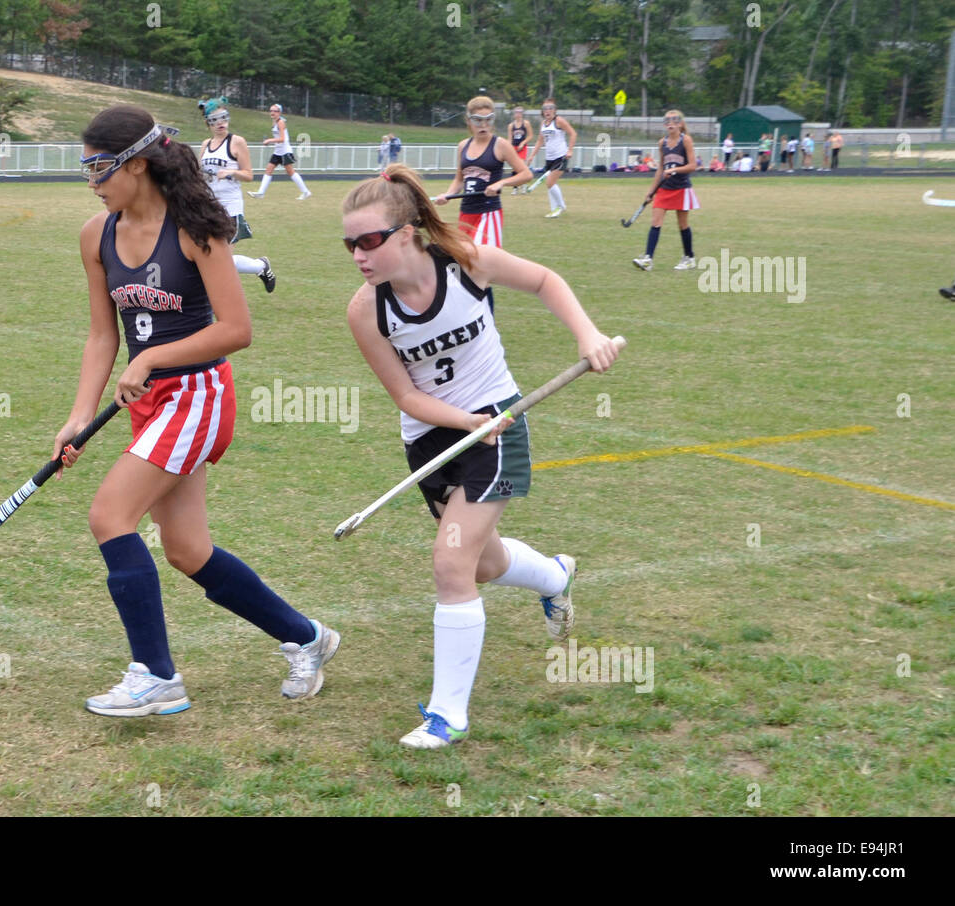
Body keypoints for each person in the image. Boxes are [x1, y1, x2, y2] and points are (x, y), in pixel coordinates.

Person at [64, 105, 339, 717]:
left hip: (197, 395)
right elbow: (102, 336)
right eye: (86, 167)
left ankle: (155, 675)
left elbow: (236, 329)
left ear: (136, 164)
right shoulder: (96, 235)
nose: (92, 180)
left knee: (110, 515)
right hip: (150, 402)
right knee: (187, 549)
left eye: (99, 166)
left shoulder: (194, 228)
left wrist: (152, 357)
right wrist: (80, 417)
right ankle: (307, 637)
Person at [341, 164, 620, 749]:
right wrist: (464, 423)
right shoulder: (366, 311)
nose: (359, 256)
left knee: (450, 564)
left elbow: (544, 280)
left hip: (500, 426)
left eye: (369, 241)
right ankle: (556, 576)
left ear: (407, 233)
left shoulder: (466, 262)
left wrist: (587, 335)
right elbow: (406, 396)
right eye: (350, 245)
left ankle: (448, 716)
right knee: (482, 565)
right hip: (432, 440)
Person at [197, 99, 275, 293]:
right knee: (208, 256)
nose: (220, 123)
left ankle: (259, 267)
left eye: (224, 118)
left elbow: (248, 174)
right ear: (208, 123)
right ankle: (260, 266)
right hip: (209, 208)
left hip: (230, 208)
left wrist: (231, 172)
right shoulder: (206, 144)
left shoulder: (237, 142)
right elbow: (199, 173)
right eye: (215, 120)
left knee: (221, 260)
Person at [431, 96, 530, 244]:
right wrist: (448, 195)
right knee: (463, 255)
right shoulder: (463, 146)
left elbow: (526, 174)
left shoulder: (500, 145)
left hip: (488, 212)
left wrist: (501, 183)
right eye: (478, 120)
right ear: (468, 120)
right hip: (466, 212)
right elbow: (459, 179)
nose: (483, 125)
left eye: (488, 119)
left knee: (481, 255)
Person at [632, 109, 699, 272]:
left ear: (680, 124)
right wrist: (651, 191)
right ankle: (648, 259)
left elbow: (692, 166)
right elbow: (660, 168)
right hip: (664, 188)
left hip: (681, 188)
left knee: (683, 224)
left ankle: (689, 258)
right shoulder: (662, 143)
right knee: (656, 222)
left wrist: (674, 170)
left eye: (674, 120)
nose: (670, 123)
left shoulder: (686, 140)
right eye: (667, 120)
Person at [521, 98, 577, 218]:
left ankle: (561, 206)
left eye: (550, 108)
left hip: (561, 156)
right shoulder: (543, 124)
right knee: (550, 184)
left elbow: (573, 133)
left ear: (555, 110)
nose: (548, 110)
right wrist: (532, 156)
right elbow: (540, 141)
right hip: (549, 158)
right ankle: (554, 209)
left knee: (550, 182)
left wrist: (570, 150)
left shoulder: (559, 121)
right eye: (545, 108)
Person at [249, 103, 310, 200]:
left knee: (291, 172)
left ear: (279, 112)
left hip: (285, 151)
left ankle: (306, 192)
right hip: (278, 151)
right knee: (268, 170)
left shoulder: (281, 122)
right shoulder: (274, 122)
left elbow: (282, 139)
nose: (272, 113)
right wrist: (271, 142)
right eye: (271, 110)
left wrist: (269, 140)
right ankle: (261, 193)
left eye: (275, 111)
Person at [507, 106, 534, 194]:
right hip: (514, 147)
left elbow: (530, 136)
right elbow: (510, 139)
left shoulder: (526, 124)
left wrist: (523, 143)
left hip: (522, 147)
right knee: (514, 167)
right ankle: (515, 188)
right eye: (516, 112)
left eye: (520, 112)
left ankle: (523, 185)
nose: (518, 114)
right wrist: (509, 148)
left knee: (522, 165)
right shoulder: (511, 126)